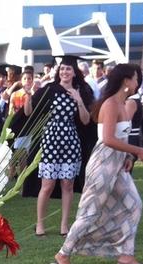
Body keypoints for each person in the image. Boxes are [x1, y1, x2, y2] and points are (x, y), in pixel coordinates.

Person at [51, 64, 143, 264]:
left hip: (117, 165)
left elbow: (120, 136)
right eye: (135, 79)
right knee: (90, 212)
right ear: (126, 81)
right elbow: (107, 139)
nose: (137, 83)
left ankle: (126, 254)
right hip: (103, 165)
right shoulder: (110, 104)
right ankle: (63, 254)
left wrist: (128, 155)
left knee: (134, 204)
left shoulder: (123, 104)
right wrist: (138, 150)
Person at [24, 55, 95, 236]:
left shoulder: (81, 90)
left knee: (67, 184)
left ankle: (64, 225)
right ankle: (40, 224)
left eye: (68, 69)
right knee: (47, 185)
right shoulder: (50, 89)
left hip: (71, 141)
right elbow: (29, 112)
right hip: (51, 140)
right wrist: (28, 94)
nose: (64, 72)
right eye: (62, 68)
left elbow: (86, 121)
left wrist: (78, 99)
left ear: (74, 73)